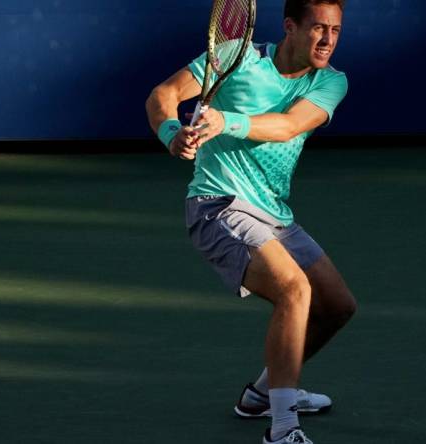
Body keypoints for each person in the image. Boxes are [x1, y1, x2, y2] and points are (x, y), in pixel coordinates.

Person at [145, 1, 355, 443]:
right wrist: (171, 134)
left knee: (337, 306)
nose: (327, 40)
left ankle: (261, 395)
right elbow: (162, 96)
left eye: (335, 30)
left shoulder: (331, 80)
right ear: (290, 27)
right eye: (318, 28)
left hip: (275, 215)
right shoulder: (233, 57)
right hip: (217, 204)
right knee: (294, 290)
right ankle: (282, 428)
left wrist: (224, 121)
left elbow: (288, 126)